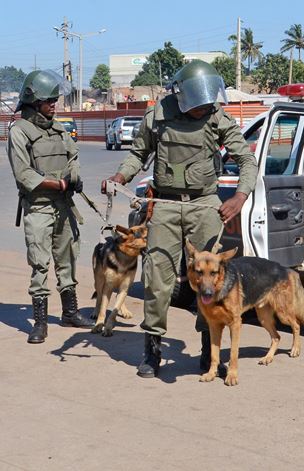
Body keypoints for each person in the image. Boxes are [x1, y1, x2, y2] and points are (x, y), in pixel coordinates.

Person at [101, 60, 257, 378]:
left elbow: (246, 158)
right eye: (198, 103)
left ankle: (207, 352)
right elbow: (138, 154)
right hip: (166, 206)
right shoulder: (157, 115)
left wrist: (240, 196)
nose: (204, 107)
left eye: (208, 101)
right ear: (183, 96)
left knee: (210, 282)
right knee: (158, 282)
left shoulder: (217, 116)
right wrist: (121, 176)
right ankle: (152, 351)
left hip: (205, 206)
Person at [7, 70, 94, 344]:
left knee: (67, 257)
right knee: (40, 263)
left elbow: (73, 155)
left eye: (55, 100)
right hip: (40, 207)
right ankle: (40, 322)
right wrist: (58, 184)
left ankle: (70, 313)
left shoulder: (58, 128)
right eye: (49, 100)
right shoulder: (19, 132)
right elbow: (24, 174)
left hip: (64, 206)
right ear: (34, 102)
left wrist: (74, 177)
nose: (54, 104)